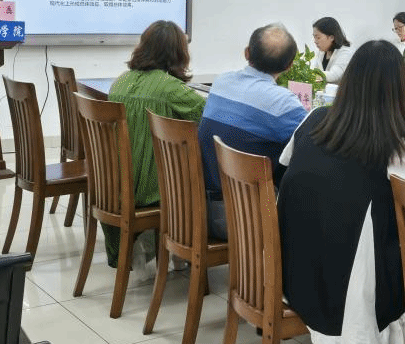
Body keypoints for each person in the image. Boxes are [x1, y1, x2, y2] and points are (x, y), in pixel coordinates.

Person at [277, 41, 405, 344]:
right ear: (399, 92)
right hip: (352, 288)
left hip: (296, 270)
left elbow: (286, 160)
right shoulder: (392, 140)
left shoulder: (315, 118)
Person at [106, 20, 206, 267]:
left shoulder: (120, 81)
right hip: (149, 189)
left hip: (114, 184)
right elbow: (207, 116)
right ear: (179, 53)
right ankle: (189, 249)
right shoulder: (170, 89)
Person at [199, 23, 307, 234]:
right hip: (245, 220)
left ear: (247, 53)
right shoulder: (283, 103)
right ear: (289, 66)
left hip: (200, 208)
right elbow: (312, 142)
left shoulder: (221, 82)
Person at [312, 16, 353, 83]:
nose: (315, 41)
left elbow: (333, 76)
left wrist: (309, 74)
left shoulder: (345, 53)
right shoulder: (321, 53)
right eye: (314, 37)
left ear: (331, 37)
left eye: (318, 37)